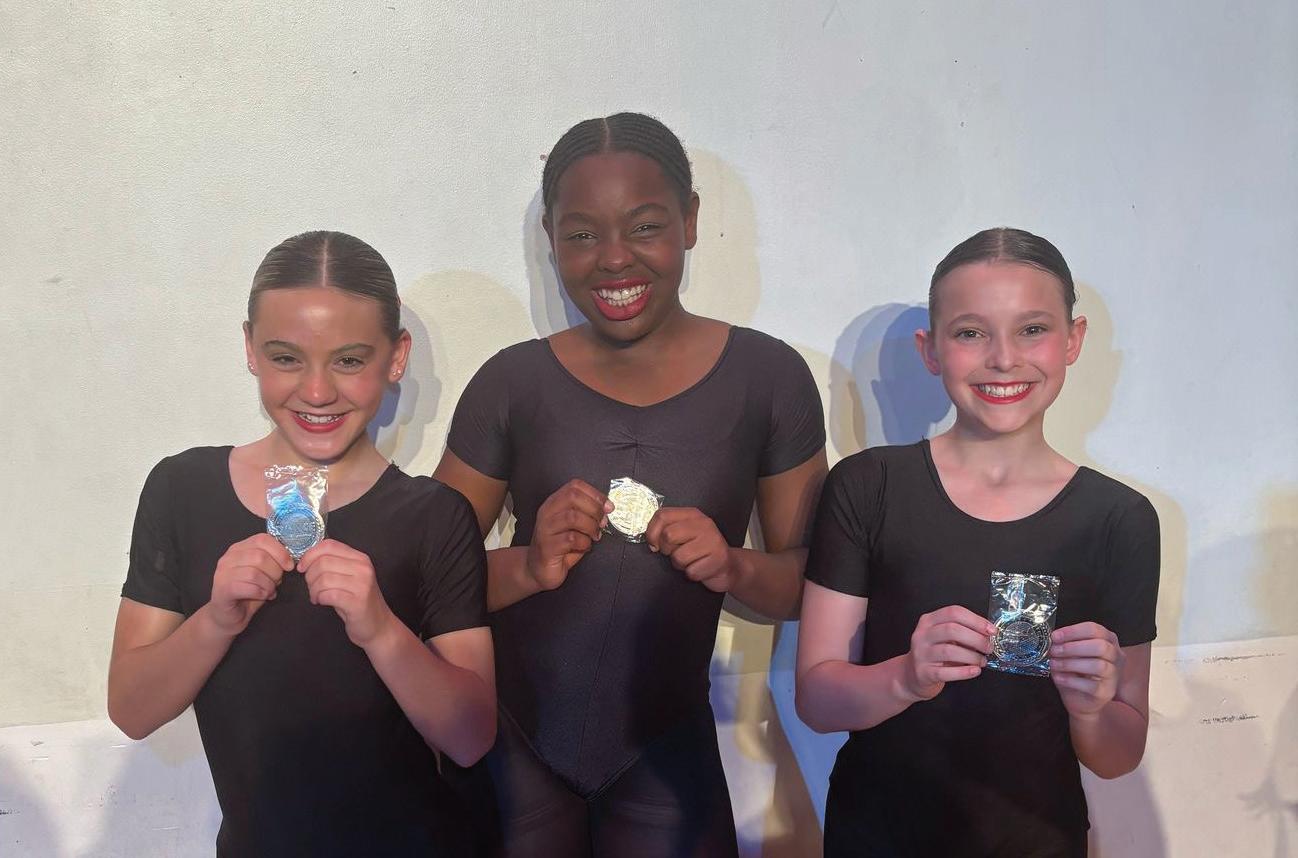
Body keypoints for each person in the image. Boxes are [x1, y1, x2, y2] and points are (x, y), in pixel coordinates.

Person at [434, 113, 827, 857]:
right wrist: (530, 564)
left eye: (645, 227)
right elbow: (426, 578)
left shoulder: (768, 379)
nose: (614, 259)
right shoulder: (511, 383)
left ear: (690, 220)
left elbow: (815, 584)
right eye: (582, 235)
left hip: (668, 759)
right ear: (550, 237)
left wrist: (734, 566)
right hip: (510, 754)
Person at [107, 231, 496, 857]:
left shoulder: (433, 516)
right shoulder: (182, 491)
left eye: (349, 360)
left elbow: (472, 737)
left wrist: (381, 629)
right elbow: (131, 709)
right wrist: (216, 620)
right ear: (250, 349)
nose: (316, 392)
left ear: (396, 357)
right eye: (287, 358)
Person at [796, 227, 1160, 857]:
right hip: (877, 835)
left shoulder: (1119, 519)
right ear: (931, 349)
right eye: (970, 333)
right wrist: (907, 677)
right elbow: (817, 699)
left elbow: (1119, 755)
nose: (1003, 359)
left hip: (1038, 837)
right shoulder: (868, 486)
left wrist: (1092, 710)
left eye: (1032, 329)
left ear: (1073, 340)